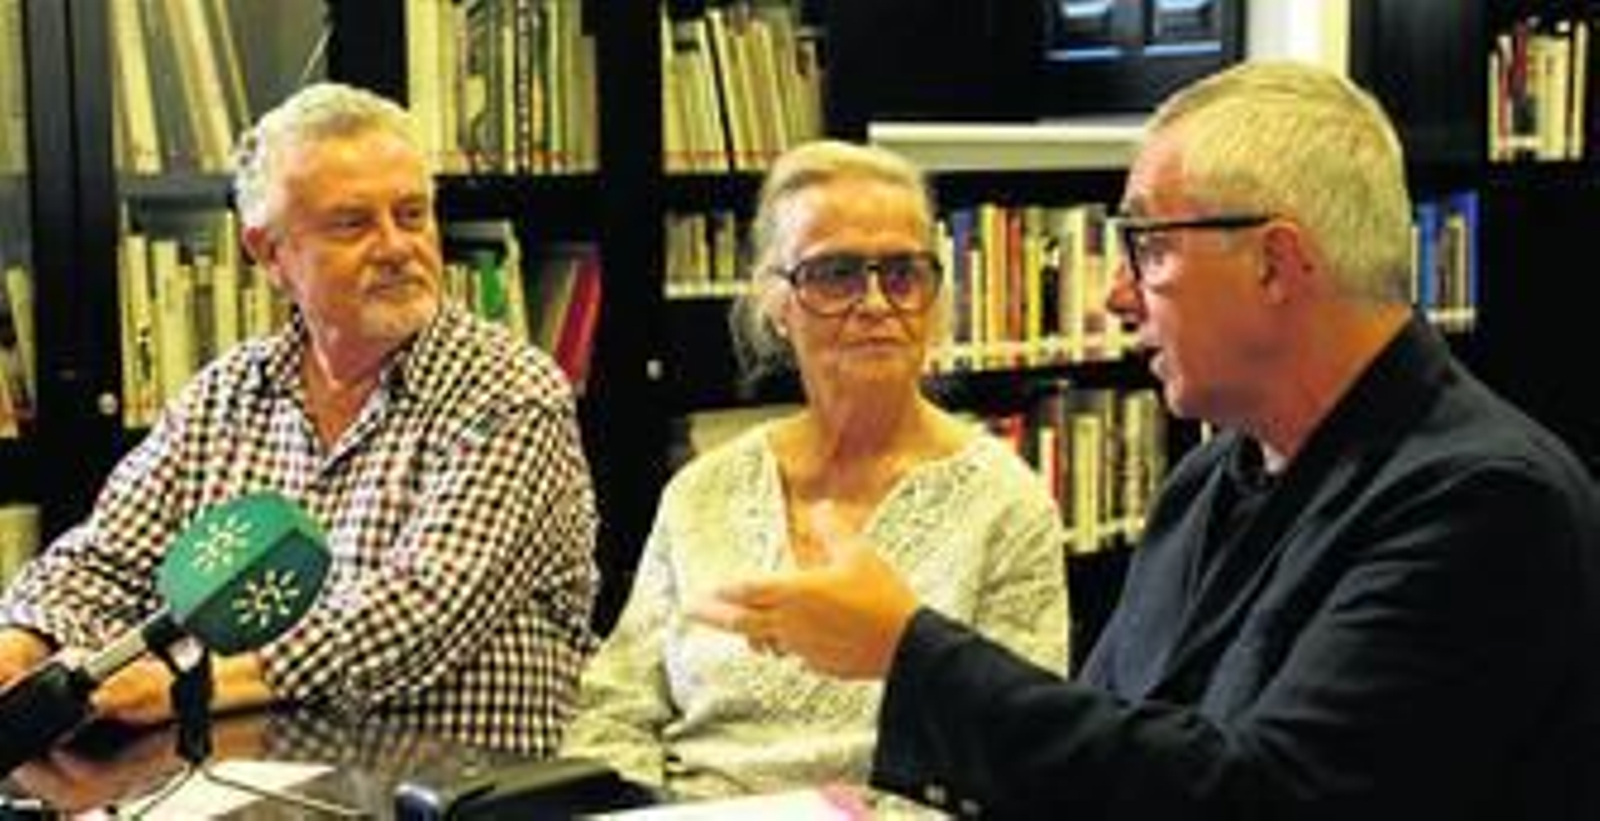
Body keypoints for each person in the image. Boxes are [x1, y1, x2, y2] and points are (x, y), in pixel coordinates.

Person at [694, 61, 1600, 819]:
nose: (1116, 296)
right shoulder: (1209, 479)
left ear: (1275, 263)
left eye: (1147, 249)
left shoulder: (1488, 503)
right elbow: (1112, 753)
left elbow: (1262, 798)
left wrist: (907, 650)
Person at [0, 82, 599, 756]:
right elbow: (105, 560)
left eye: (412, 214)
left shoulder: (510, 391)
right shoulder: (226, 394)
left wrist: (184, 686)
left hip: (450, 794)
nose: (397, 246)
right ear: (268, 252)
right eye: (352, 223)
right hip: (236, 784)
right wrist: (23, 645)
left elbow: (420, 610)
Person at [559, 139, 1070, 805]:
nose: (876, 302)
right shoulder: (703, 491)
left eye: (903, 273)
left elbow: (1012, 751)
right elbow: (612, 713)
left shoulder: (1006, 503)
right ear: (777, 301)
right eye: (836, 274)